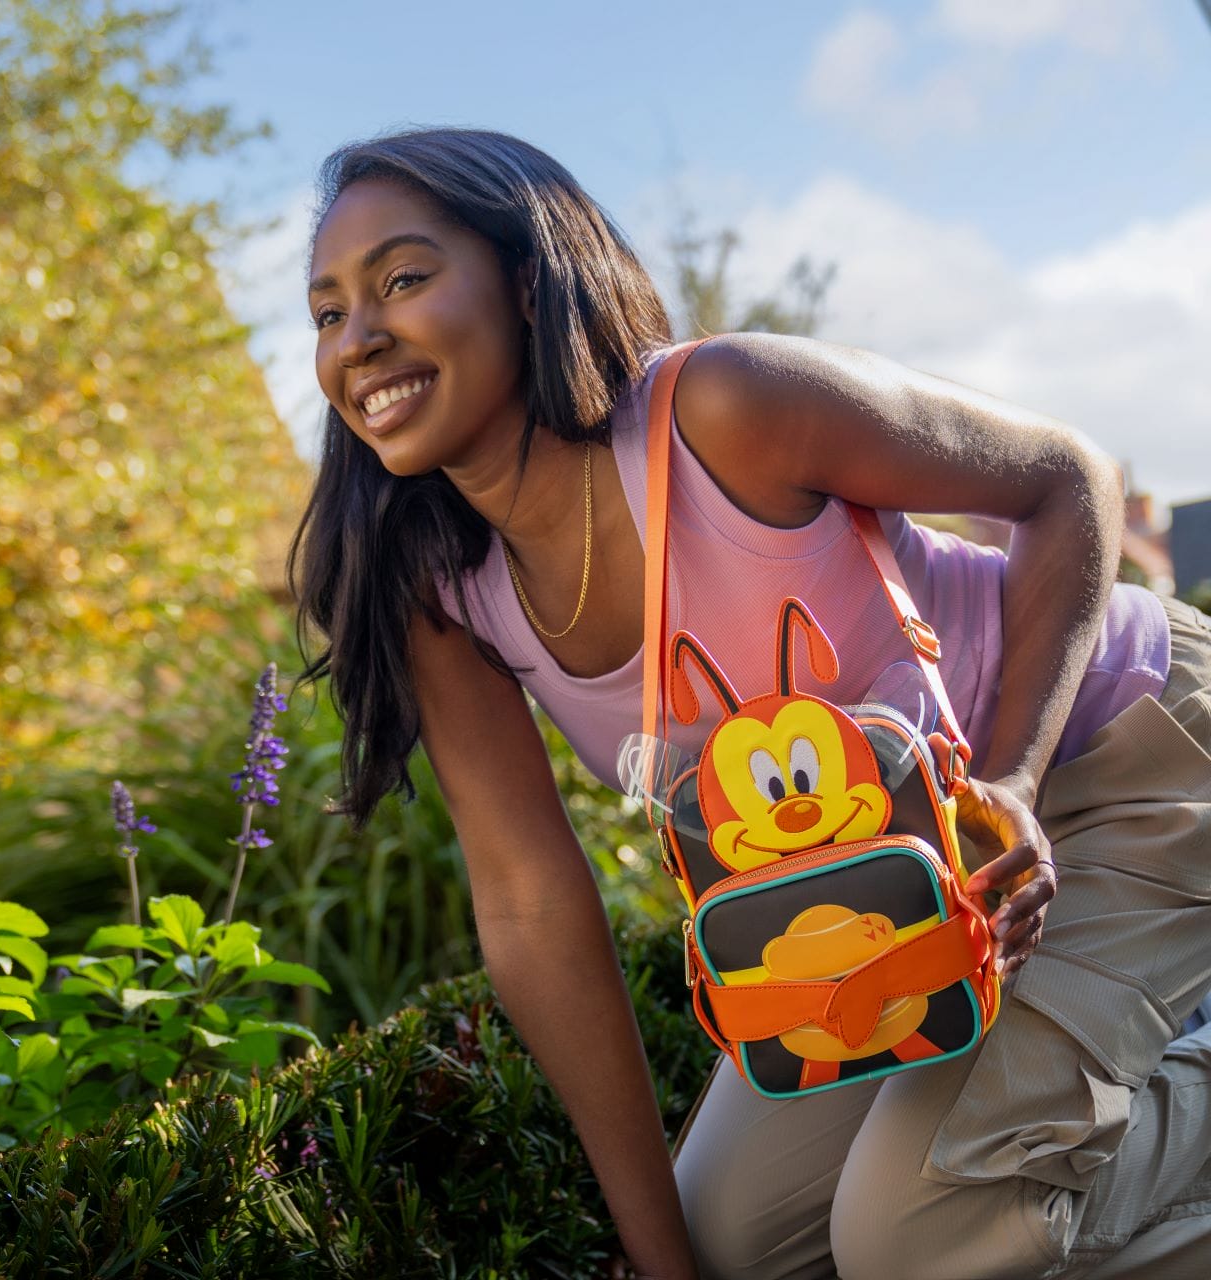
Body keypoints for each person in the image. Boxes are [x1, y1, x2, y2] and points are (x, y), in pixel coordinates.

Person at [287, 126, 1211, 1280]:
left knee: (913, 1235)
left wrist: (1012, 775)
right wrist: (661, 1261)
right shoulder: (445, 592)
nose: (359, 337)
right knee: (734, 1244)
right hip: (906, 895)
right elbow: (529, 902)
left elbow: (1070, 478)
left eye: (403, 279)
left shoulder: (720, 410)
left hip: (1123, 746)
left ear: (529, 280)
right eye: (327, 312)